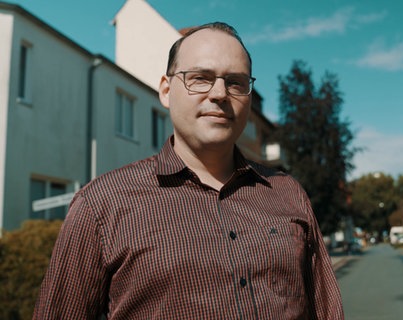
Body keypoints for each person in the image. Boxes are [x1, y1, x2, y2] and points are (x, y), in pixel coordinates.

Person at [33, 22, 344, 319]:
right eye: (201, 77)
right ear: (166, 91)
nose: (220, 94)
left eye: (235, 82)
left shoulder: (288, 193)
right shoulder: (102, 205)